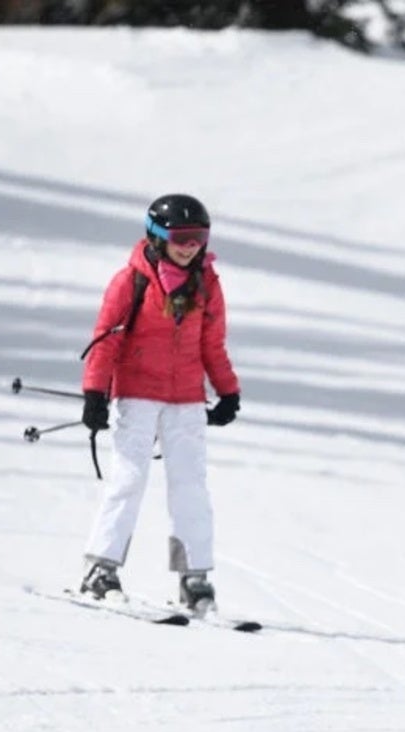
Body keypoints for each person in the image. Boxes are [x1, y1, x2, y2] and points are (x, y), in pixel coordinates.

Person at [78, 193, 241, 613]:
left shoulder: (208, 283)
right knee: (128, 480)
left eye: (197, 237)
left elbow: (212, 345)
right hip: (137, 397)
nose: (189, 245)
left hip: (186, 400)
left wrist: (227, 391)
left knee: (190, 487)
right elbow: (106, 339)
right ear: (156, 235)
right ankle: (101, 569)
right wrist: (95, 393)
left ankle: (194, 578)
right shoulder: (131, 281)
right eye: (180, 236)